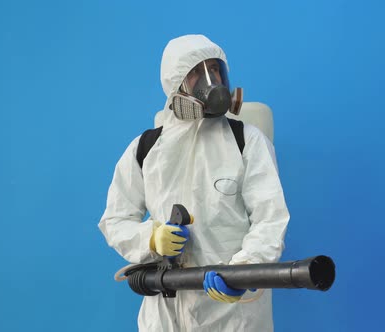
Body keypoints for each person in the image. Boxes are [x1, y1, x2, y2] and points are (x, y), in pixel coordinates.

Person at [98, 34, 290, 331]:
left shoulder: (246, 142)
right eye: (197, 73)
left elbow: (270, 219)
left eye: (215, 70)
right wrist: (150, 239)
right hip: (165, 314)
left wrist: (243, 273)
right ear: (176, 84)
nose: (211, 81)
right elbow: (115, 220)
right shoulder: (146, 149)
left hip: (231, 315)